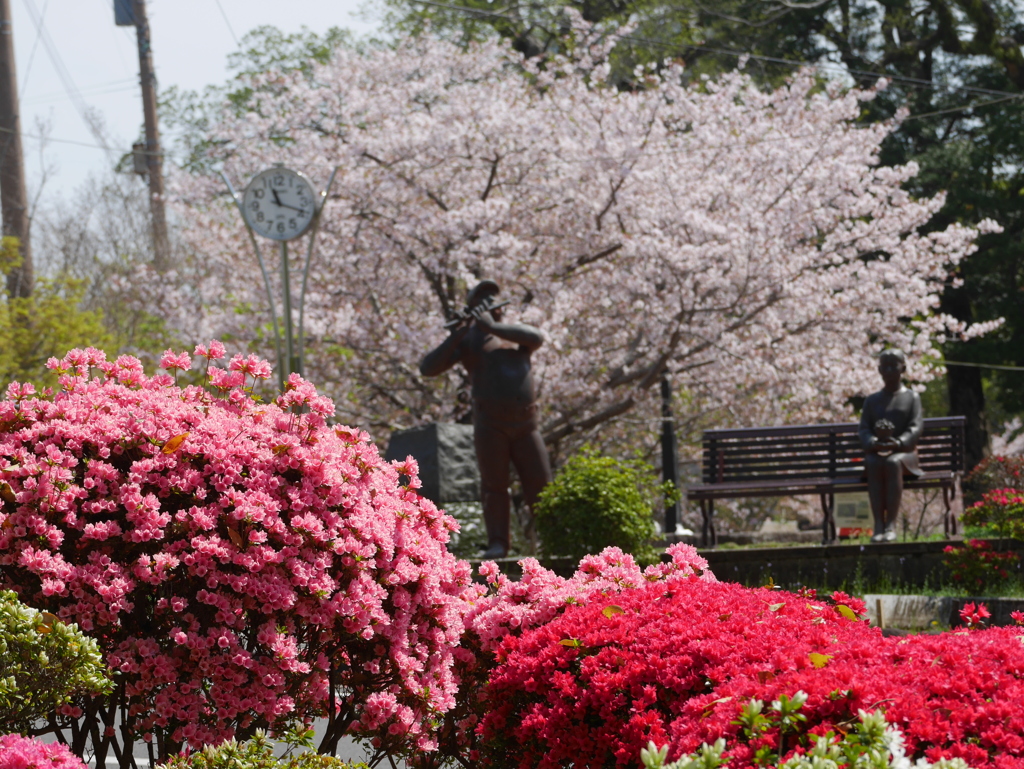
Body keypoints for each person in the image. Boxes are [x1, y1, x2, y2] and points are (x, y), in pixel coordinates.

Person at [419, 280, 553, 558]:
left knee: (541, 485)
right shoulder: (469, 341)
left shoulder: (514, 335)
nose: (490, 303)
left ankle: (552, 537)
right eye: (483, 299)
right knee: (494, 485)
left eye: (492, 298)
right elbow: (428, 368)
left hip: (526, 423)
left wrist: (492, 326)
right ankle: (498, 543)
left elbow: (536, 337)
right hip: (491, 423)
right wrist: (457, 334)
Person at [858, 348, 924, 542]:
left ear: (903, 368)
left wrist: (899, 442)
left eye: (893, 366)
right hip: (878, 454)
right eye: (884, 366)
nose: (888, 370)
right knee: (873, 462)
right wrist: (873, 442)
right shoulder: (872, 401)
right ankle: (878, 523)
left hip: (906, 455)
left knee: (892, 463)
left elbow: (916, 426)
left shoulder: (912, 398)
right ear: (879, 370)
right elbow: (863, 429)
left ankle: (891, 525)